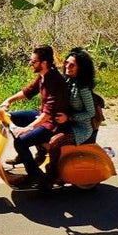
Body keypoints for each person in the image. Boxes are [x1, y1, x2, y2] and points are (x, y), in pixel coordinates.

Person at [0, 45, 69, 187]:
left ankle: (34, 175)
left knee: (20, 142)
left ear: (43, 63)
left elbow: (48, 114)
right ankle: (32, 153)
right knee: (11, 117)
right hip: (42, 115)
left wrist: (27, 129)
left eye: (33, 61)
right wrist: (8, 100)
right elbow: (28, 91)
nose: (30, 63)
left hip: (53, 124)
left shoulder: (54, 81)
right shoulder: (44, 75)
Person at [41, 47, 97, 190]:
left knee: (55, 142)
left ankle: (53, 174)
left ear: (80, 68)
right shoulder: (67, 81)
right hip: (66, 122)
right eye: (66, 63)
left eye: (72, 65)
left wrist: (70, 117)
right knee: (39, 131)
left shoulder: (82, 88)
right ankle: (40, 158)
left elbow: (91, 112)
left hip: (80, 128)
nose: (67, 67)